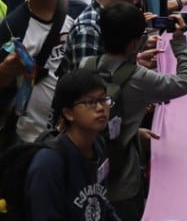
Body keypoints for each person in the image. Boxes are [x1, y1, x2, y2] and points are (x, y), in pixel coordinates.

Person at [91, 2, 187, 220]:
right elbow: (186, 81)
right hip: (124, 183)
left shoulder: (86, 65)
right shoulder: (140, 78)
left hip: (88, 177)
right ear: (134, 42)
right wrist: (179, 43)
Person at [0, 0, 78, 145]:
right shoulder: (11, 26)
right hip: (29, 136)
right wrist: (6, 71)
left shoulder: (78, 15)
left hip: (77, 132)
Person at [22, 69, 119, 220]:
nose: (101, 108)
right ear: (68, 113)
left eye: (103, 99)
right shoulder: (49, 162)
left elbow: (102, 203)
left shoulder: (98, 144)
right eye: (90, 102)